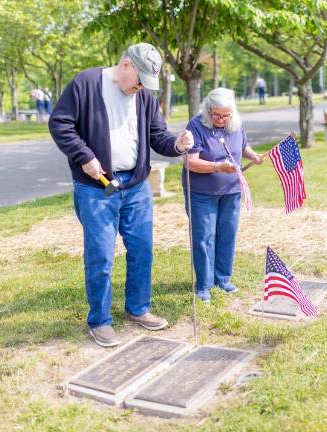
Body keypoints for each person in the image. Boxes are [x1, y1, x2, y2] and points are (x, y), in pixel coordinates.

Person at [49, 43, 194, 348]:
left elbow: (158, 137)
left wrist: (178, 144)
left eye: (147, 84)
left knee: (142, 249)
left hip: (137, 185)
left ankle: (138, 308)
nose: (142, 88)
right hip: (96, 186)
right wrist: (84, 156)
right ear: (126, 65)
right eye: (140, 79)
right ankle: (100, 320)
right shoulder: (86, 83)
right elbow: (60, 124)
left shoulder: (144, 97)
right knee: (100, 255)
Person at [183, 87, 262, 302]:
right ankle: (204, 285)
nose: (221, 119)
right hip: (202, 192)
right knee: (204, 237)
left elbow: (243, 145)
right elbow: (191, 161)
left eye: (226, 115)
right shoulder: (196, 126)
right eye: (217, 114)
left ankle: (223, 278)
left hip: (231, 190)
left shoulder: (235, 124)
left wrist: (253, 156)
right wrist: (218, 167)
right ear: (208, 110)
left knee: (227, 234)